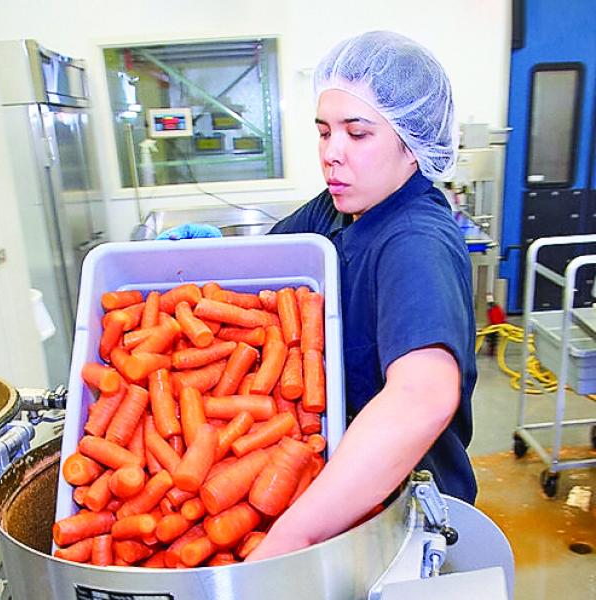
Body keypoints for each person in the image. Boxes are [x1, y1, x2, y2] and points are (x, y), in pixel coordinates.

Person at [159, 30, 477, 562]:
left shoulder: (415, 241)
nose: (332, 154)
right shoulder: (340, 207)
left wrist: (293, 536)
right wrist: (197, 260)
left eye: (358, 134)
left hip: (400, 509)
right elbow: (270, 263)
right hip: (324, 480)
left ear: (413, 142)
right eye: (325, 132)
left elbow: (423, 394)